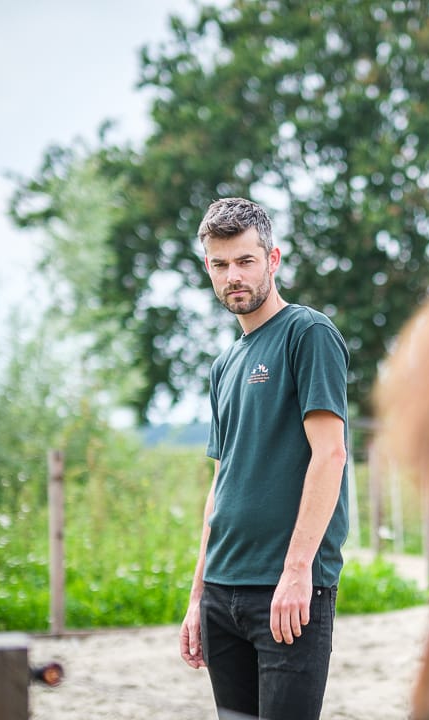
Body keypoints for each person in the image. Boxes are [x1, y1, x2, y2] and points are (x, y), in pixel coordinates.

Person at [179, 197, 351, 720]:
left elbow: (331, 455)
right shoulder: (223, 365)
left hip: (287, 591)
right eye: (220, 264)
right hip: (222, 592)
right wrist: (197, 595)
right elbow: (221, 481)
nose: (233, 275)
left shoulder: (308, 334)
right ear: (208, 268)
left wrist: (297, 570)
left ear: (273, 260)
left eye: (245, 260)